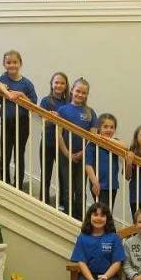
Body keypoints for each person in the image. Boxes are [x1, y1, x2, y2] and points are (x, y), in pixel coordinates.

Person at [58, 78, 97, 219]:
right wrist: (68, 154)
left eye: (84, 93)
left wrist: (82, 153)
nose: (80, 94)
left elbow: (93, 137)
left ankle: (80, 220)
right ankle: (68, 218)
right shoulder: (62, 110)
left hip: (84, 157)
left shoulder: (90, 112)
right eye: (78, 91)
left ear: (87, 95)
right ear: (72, 91)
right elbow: (59, 135)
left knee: (80, 189)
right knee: (68, 188)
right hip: (65, 155)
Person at [0, 50, 38, 189]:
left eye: (15, 62)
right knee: (5, 152)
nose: (12, 65)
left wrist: (20, 94)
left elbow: (34, 106)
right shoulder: (2, 80)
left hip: (22, 123)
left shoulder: (27, 84)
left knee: (18, 154)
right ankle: (4, 182)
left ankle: (18, 185)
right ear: (4, 64)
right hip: (6, 122)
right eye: (8, 62)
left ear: (20, 63)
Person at [39, 72, 69, 205]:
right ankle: (43, 200)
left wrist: (59, 117)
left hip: (63, 144)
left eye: (62, 83)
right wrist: (53, 118)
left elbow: (70, 122)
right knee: (46, 173)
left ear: (66, 86)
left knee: (63, 175)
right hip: (47, 142)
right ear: (52, 84)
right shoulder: (46, 101)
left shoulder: (69, 102)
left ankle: (62, 203)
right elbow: (43, 120)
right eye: (56, 82)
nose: (59, 85)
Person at [85, 113, 125, 209]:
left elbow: (125, 146)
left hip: (112, 185)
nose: (109, 130)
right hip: (99, 184)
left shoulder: (115, 143)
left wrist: (106, 139)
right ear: (99, 128)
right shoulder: (92, 144)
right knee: (102, 211)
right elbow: (88, 165)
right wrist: (94, 182)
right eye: (105, 127)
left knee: (108, 211)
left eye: (112, 127)